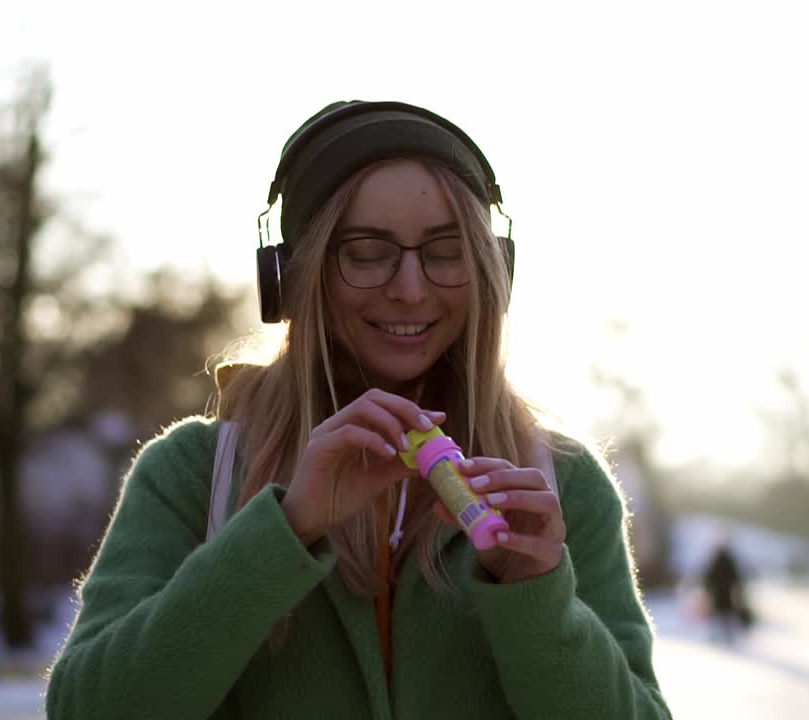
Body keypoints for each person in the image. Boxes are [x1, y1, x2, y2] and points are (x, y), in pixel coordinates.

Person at [45, 100, 671, 719]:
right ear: (295, 275)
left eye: (446, 251)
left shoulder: (559, 488)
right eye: (367, 252)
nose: (410, 289)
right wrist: (284, 530)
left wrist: (537, 600)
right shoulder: (192, 473)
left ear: (492, 271)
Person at [701, 539, 749, 644]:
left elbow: (709, 577)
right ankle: (725, 636)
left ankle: (720, 635)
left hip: (720, 593)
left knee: (720, 614)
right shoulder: (726, 559)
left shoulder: (718, 559)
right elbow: (735, 577)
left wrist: (708, 589)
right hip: (724, 592)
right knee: (724, 614)